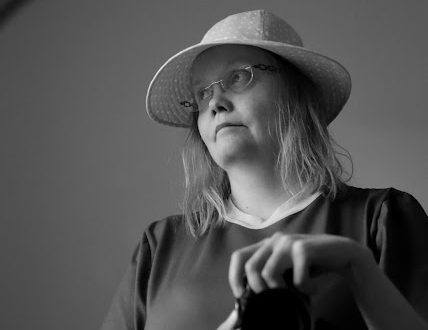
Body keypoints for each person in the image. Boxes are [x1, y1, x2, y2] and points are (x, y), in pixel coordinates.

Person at [100, 9, 428, 330]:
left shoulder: (383, 219)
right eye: (202, 93)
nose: (215, 103)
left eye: (239, 77)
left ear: (296, 94)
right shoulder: (159, 246)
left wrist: (359, 269)